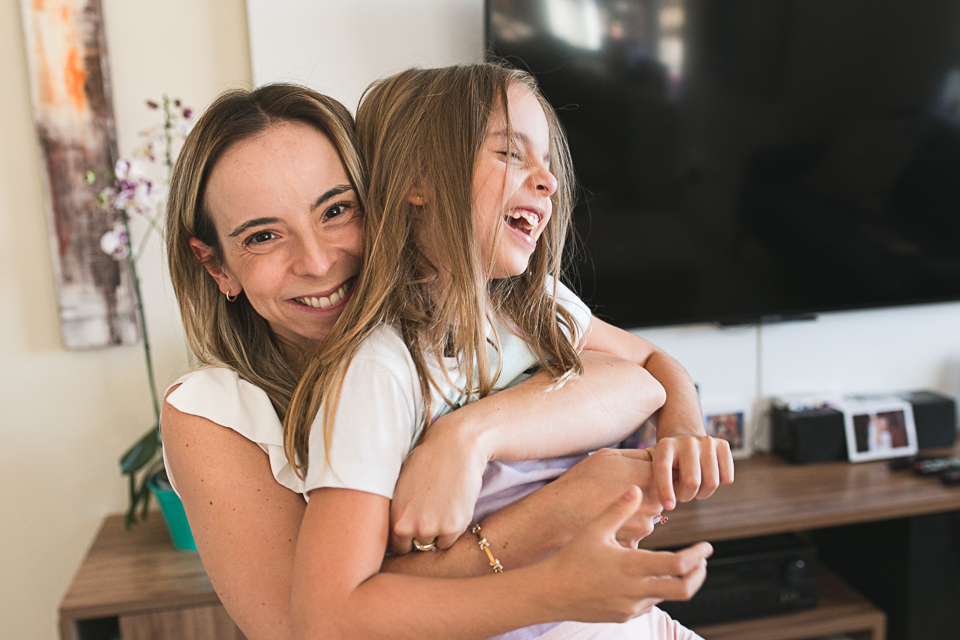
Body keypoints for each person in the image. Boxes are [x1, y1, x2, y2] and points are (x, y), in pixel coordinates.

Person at [161, 81, 728, 640]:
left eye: (337, 210)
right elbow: (318, 627)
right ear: (217, 267)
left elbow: (641, 374)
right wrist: (550, 521)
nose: (317, 262)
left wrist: (467, 436)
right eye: (262, 236)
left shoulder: (502, 304)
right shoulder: (216, 412)